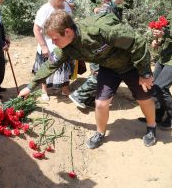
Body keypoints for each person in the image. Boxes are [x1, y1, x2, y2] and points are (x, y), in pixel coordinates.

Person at [19, 10, 157, 149]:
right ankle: (100, 133)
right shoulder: (65, 48)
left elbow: (137, 42)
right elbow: (50, 65)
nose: (53, 43)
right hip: (108, 68)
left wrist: (145, 74)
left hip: (131, 65)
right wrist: (30, 87)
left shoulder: (99, 30)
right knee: (101, 103)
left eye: (55, 39)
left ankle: (152, 127)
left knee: (144, 98)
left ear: (67, 32)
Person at [69, 0, 131, 108]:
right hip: (99, 47)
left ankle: (88, 100)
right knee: (98, 75)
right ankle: (79, 95)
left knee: (99, 74)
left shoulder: (112, 7)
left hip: (103, 47)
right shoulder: (106, 9)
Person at [32, 0, 75, 101]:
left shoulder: (66, 6)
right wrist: (43, 46)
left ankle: (65, 89)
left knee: (65, 65)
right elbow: (36, 29)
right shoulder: (45, 9)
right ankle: (44, 91)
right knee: (47, 65)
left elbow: (70, 23)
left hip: (64, 43)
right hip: (48, 44)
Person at [146, 12, 172, 130]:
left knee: (161, 87)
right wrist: (159, 41)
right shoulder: (171, 13)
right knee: (153, 85)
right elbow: (167, 36)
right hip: (164, 57)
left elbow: (167, 32)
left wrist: (164, 33)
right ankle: (157, 115)